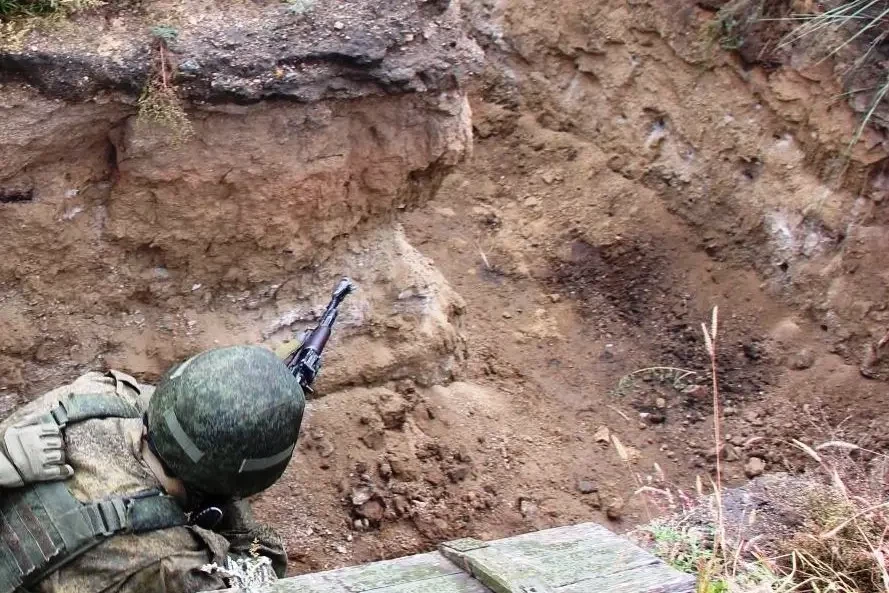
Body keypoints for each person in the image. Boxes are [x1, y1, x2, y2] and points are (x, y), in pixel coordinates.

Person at [0, 344, 306, 593]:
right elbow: (261, 566)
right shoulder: (172, 563)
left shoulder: (94, 394)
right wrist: (229, 497)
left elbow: (158, 401)